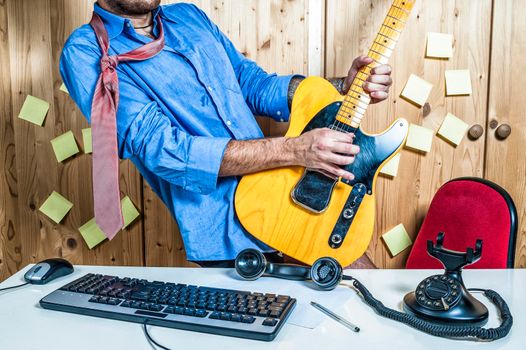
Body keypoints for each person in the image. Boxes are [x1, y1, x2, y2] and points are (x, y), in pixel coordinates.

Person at [60, 0, 393, 267]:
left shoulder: (189, 17)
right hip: (230, 232)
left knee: (367, 304)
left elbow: (252, 84)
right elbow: (166, 152)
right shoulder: (86, 51)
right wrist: (295, 151)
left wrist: (342, 87)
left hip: (290, 192)